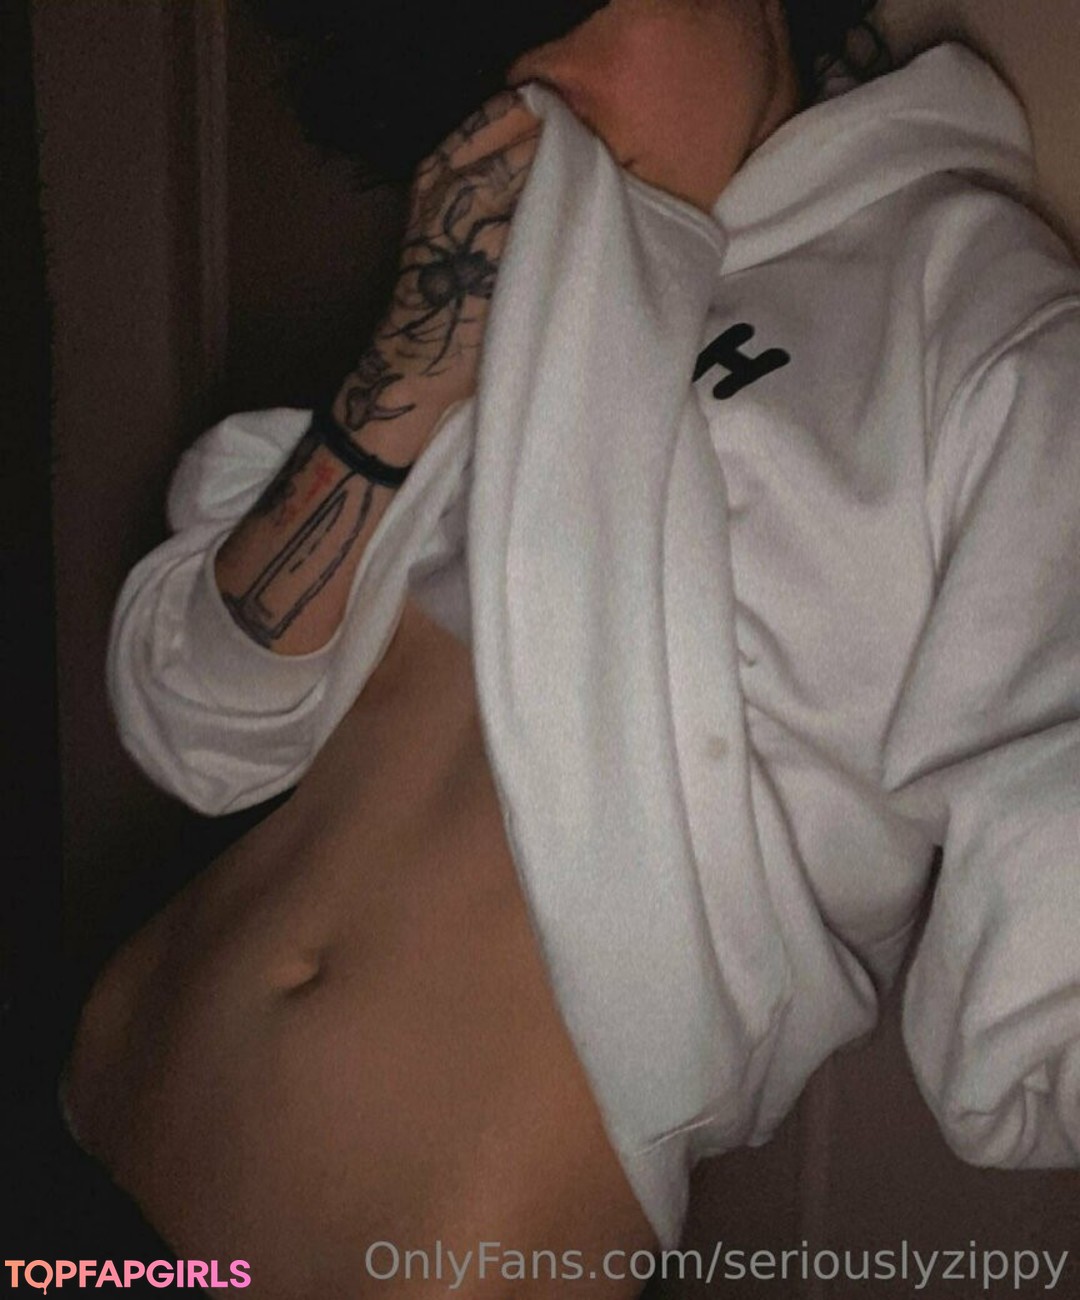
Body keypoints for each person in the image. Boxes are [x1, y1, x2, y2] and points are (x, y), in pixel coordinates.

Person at [65, 2, 1080, 1296]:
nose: (536, 71)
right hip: (84, 1128)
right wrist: (415, 363)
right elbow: (189, 722)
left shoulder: (979, 315)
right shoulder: (525, 267)